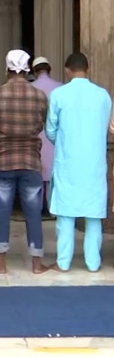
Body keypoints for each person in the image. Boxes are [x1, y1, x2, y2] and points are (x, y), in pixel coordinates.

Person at [0, 49, 49, 274]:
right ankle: (36, 263)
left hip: (3, 160)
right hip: (31, 160)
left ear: (7, 69)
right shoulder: (39, 96)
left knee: (1, 212)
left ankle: (1, 263)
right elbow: (41, 125)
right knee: (33, 212)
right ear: (28, 69)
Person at [47, 53, 111, 272]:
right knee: (93, 216)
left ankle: (63, 262)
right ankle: (93, 263)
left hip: (68, 162)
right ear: (88, 68)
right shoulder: (103, 96)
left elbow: (50, 130)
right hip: (95, 163)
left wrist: (65, 143)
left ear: (67, 70)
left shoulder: (58, 95)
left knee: (65, 214)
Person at [30, 56, 62, 216]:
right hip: (54, 135)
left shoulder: (30, 88)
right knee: (52, 175)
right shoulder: (60, 87)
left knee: (37, 174)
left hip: (35, 134)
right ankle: (53, 208)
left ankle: (36, 209)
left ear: (34, 72)